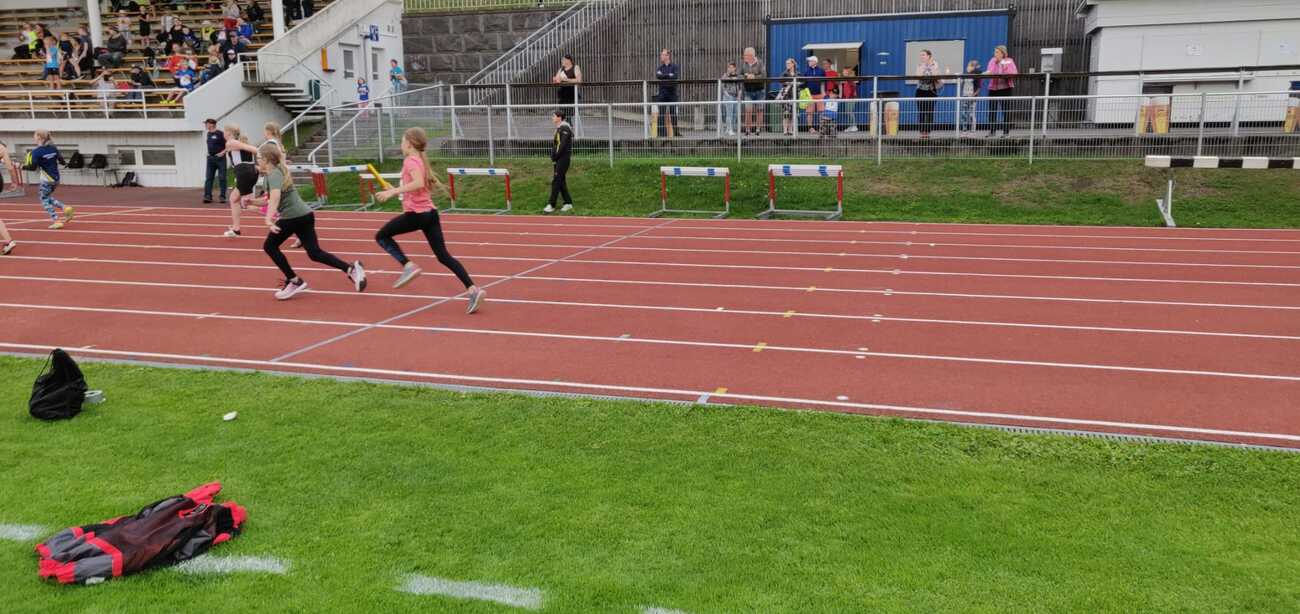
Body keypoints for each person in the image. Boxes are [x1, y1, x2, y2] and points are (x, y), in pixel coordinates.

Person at [373, 128, 485, 312]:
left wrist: (393, 192)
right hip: (430, 214)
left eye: (402, 141)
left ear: (409, 143)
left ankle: (408, 266)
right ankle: (473, 289)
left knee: (381, 236)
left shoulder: (410, 161)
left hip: (417, 215)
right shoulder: (420, 160)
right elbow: (415, 188)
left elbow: (417, 183)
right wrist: (394, 190)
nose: (401, 145)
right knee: (443, 256)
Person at [248, 142, 366, 301]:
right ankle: (350, 269)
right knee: (314, 253)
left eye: (259, 157)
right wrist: (252, 202)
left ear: (267, 159)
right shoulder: (275, 172)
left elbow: (275, 197)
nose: (257, 160)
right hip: (305, 215)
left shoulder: (274, 174)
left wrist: (268, 219)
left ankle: (294, 281)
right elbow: (269, 199)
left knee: (269, 246)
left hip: (292, 217)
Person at [27, 130, 73, 230]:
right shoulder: (53, 148)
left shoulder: (36, 152)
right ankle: (65, 208)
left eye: (34, 135)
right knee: (46, 197)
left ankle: (56, 220)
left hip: (46, 179)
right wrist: (65, 164)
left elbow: (32, 167)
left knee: (44, 199)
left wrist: (21, 166)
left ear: (39, 137)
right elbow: (62, 161)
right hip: (56, 178)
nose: (33, 137)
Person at [221, 124, 257, 238]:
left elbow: (255, 150)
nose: (223, 134)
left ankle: (275, 212)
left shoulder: (231, 142)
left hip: (244, 172)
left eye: (224, 131)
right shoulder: (235, 144)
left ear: (229, 133)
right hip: (250, 171)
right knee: (235, 199)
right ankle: (236, 229)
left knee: (247, 203)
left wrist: (270, 156)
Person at [543, 110, 574, 214]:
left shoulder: (564, 128)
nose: (552, 118)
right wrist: (553, 157)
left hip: (563, 159)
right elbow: (556, 144)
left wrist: (555, 156)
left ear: (559, 117)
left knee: (556, 181)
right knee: (560, 181)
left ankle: (551, 204)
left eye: (554, 116)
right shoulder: (559, 128)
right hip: (558, 159)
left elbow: (562, 145)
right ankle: (568, 203)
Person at [986, 45, 1018, 138]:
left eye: (997, 52)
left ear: (1002, 53)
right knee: (992, 110)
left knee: (1006, 110)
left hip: (1006, 89)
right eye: (995, 52)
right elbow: (990, 71)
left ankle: (1006, 132)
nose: (995, 54)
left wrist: (1003, 65)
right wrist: (995, 64)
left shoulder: (1009, 60)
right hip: (993, 89)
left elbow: (1013, 72)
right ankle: (992, 131)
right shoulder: (992, 61)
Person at [915, 49, 942, 138]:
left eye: (923, 55)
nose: (921, 56)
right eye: (921, 55)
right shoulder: (919, 65)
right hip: (920, 91)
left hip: (931, 91)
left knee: (930, 111)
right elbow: (918, 76)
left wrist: (931, 66)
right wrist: (924, 66)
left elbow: (936, 76)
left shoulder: (935, 64)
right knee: (921, 111)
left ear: (929, 56)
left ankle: (928, 131)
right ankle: (922, 131)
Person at [739, 47, 766, 137]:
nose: (744, 56)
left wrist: (754, 76)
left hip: (760, 91)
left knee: (759, 110)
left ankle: (758, 129)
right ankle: (747, 130)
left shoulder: (760, 63)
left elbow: (764, 75)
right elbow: (739, 75)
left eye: (745, 55)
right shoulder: (743, 64)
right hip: (748, 91)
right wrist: (746, 76)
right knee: (748, 111)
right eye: (744, 55)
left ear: (751, 55)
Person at [654, 49, 680, 138]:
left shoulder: (675, 67)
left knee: (673, 113)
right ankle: (662, 134)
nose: (661, 56)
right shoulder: (660, 68)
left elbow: (675, 76)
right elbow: (658, 76)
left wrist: (664, 76)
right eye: (661, 55)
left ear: (668, 56)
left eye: (663, 55)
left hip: (672, 93)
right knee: (661, 113)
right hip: (662, 93)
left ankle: (676, 133)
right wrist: (669, 75)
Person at [203, 118, 227, 204]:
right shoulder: (208, 134)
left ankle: (222, 197)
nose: (205, 125)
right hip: (210, 159)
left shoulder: (220, 133)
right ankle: (208, 196)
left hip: (220, 159)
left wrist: (222, 153)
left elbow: (228, 145)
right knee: (209, 178)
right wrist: (208, 153)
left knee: (222, 178)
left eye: (206, 123)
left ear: (211, 124)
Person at [801, 55, 825, 131]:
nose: (809, 62)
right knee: (809, 112)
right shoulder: (806, 71)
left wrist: (823, 92)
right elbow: (804, 83)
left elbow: (823, 82)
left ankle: (822, 127)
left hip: (819, 94)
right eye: (809, 61)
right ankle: (810, 128)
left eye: (810, 61)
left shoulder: (821, 71)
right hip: (809, 95)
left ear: (815, 62)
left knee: (821, 111)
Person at [774, 57, 798, 136]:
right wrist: (788, 83)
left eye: (788, 63)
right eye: (786, 63)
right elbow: (780, 81)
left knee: (792, 114)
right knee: (786, 113)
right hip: (786, 95)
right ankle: (785, 130)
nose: (787, 65)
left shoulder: (797, 73)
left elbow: (802, 83)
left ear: (793, 64)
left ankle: (790, 130)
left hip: (794, 95)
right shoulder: (784, 73)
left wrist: (796, 84)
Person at [552, 54, 580, 119]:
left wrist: (566, 79)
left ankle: (569, 123)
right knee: (562, 112)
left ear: (568, 60)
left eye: (563, 60)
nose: (562, 61)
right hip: (562, 94)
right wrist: (555, 80)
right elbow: (557, 79)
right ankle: (565, 122)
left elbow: (578, 80)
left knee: (570, 112)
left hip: (571, 93)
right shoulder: (561, 69)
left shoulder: (575, 67)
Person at [959, 59, 983, 136]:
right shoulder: (965, 75)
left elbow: (979, 87)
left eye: (970, 66)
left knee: (971, 114)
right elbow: (962, 85)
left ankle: (972, 131)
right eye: (968, 65)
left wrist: (974, 94)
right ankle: (964, 131)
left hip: (972, 97)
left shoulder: (976, 76)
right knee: (964, 114)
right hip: (965, 96)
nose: (968, 67)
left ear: (974, 67)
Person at [719, 62, 741, 136]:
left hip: (735, 96)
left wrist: (739, 95)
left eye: (732, 67)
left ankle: (730, 129)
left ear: (735, 68)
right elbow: (722, 87)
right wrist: (727, 95)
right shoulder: (725, 76)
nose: (730, 69)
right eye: (729, 67)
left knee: (735, 113)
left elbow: (739, 87)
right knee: (729, 113)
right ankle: (729, 129)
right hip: (728, 96)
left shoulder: (737, 76)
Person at [839, 66, 858, 133]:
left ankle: (854, 126)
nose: (843, 72)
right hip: (847, 98)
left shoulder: (850, 80)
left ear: (847, 72)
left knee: (850, 112)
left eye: (844, 71)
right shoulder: (847, 80)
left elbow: (852, 89)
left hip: (851, 98)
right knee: (848, 112)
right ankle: (850, 126)